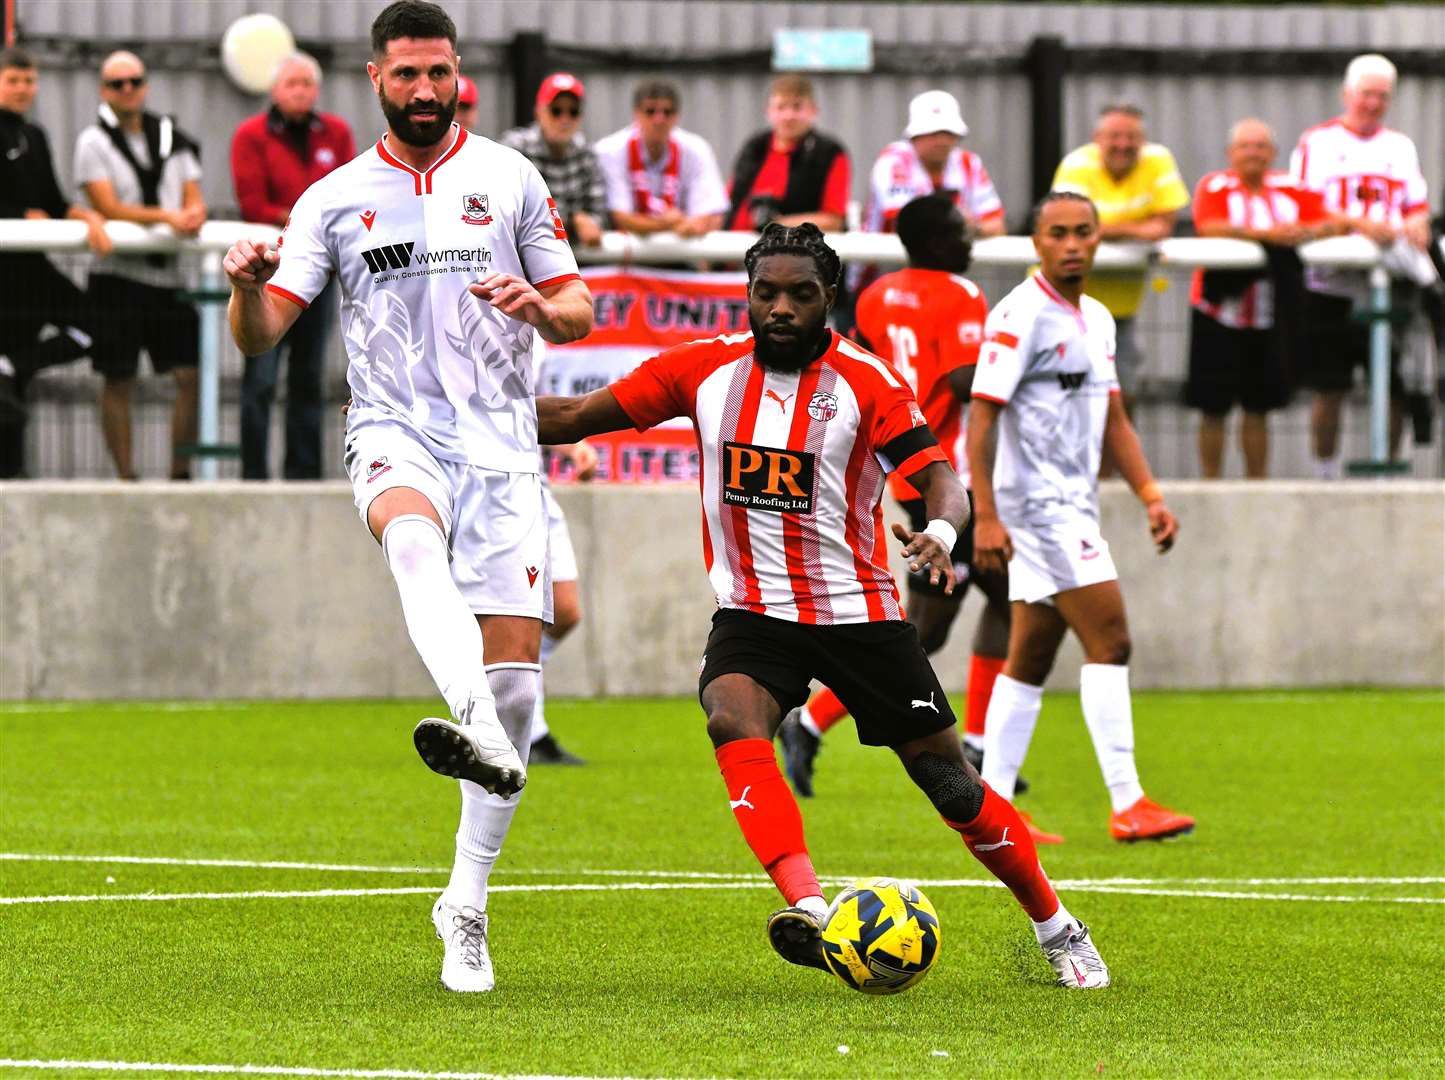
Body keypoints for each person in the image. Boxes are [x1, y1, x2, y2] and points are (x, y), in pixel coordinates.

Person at [537, 222, 1112, 990]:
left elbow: (940, 476)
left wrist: (942, 529)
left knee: (950, 787)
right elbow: (575, 419)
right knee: (730, 716)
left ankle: (1056, 926)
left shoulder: (866, 382)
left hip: (856, 614)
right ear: (746, 295)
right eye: (765, 293)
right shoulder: (700, 372)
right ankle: (808, 909)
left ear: (828, 300)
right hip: (753, 612)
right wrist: (445, 421)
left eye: (798, 295)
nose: (779, 308)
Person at [221, 0, 592, 993]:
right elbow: (261, 335)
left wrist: (540, 307)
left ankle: (463, 905)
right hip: (394, 431)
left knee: (521, 689)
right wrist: (246, 285)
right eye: (405, 75)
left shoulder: (510, 179)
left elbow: (579, 307)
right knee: (413, 547)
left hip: (502, 449)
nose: (424, 90)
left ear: (458, 73)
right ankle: (466, 711)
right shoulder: (334, 198)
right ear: (373, 78)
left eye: (439, 73)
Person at [776, 194, 1032, 826]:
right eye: (958, 227)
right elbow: (964, 380)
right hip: (946, 470)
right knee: (952, 616)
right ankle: (819, 720)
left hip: (902, 465)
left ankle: (831, 722)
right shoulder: (962, 293)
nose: (969, 237)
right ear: (933, 238)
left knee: (980, 604)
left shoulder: (877, 294)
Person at [967, 191, 1194, 845]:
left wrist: (1149, 494)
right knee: (1111, 640)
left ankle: (994, 809)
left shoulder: (1094, 317)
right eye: (1057, 234)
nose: (1071, 245)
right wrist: (986, 514)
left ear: (1098, 239)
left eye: (1083, 233)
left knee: (1030, 657)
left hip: (1071, 504)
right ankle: (1127, 802)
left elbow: (1112, 416)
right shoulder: (1018, 316)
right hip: (1036, 510)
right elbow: (980, 417)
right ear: (1036, 243)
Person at [1290, 53, 1432, 476]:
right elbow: (1304, 206)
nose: (1373, 104)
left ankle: (1388, 467)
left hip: (1386, 284)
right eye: (1366, 94)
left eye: (1382, 96)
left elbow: (1416, 205)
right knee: (1329, 388)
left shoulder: (1399, 146)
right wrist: (1358, 224)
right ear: (1347, 94)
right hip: (1330, 286)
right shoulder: (1318, 142)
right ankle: (1325, 474)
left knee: (1392, 390)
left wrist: (1415, 224)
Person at [74, 50, 206, 480]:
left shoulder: (172, 135)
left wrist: (192, 213)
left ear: (146, 85)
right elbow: (107, 206)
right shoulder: (91, 142)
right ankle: (126, 478)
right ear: (103, 91)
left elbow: (193, 195)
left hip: (168, 278)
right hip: (117, 278)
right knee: (118, 376)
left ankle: (179, 474)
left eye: (134, 81)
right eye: (117, 84)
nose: (127, 89)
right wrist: (169, 218)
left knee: (189, 375)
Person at [1186, 119, 1339, 479]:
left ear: (1272, 153)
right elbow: (1209, 226)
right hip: (1219, 311)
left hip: (1269, 314)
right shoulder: (1216, 185)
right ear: (1230, 154)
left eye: (1260, 146)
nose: (1253, 154)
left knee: (1259, 405)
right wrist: (1266, 236)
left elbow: (1333, 221)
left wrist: (1306, 232)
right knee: (1213, 406)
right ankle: (1211, 484)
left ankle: (1257, 485)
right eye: (1245, 146)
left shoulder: (1289, 187)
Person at [231, 52, 355, 480]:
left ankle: (302, 474)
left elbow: (346, 198)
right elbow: (253, 203)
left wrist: (313, 229)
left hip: (317, 274)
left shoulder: (335, 133)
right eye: (292, 83)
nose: (301, 91)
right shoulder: (252, 136)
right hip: (270, 268)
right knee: (260, 377)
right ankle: (253, 476)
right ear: (275, 90)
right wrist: (308, 222)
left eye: (307, 83)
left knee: (308, 376)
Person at [0, 45, 111, 477]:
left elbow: (51, 200)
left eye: (29, 81)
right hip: (3, 276)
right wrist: (16, 215)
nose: (23, 89)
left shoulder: (36, 135)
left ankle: (14, 365)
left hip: (33, 272)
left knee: (96, 325)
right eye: (13, 81)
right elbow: (25, 207)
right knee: (8, 407)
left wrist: (83, 214)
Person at [1052, 104, 1189, 405]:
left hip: (1121, 309)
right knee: (1065, 399)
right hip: (1065, 304)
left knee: (1123, 399)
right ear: (1097, 138)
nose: (1123, 145)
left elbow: (1164, 223)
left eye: (1131, 137)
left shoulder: (1158, 159)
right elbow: (1072, 225)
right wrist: (1139, 228)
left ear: (1143, 140)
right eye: (1114, 136)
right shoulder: (1077, 164)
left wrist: (1103, 228)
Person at [528, 436, 596, 766]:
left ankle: (509, 687)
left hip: (535, 490)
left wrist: (571, 446)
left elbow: (531, 405)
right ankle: (530, 735)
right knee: (513, 619)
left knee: (564, 611)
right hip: (483, 489)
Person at [860, 90, 1005, 238]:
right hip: (887, 258)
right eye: (932, 133)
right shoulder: (894, 160)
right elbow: (906, 223)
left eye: (948, 132)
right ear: (914, 136)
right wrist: (960, 222)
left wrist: (975, 228)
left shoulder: (969, 163)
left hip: (947, 257)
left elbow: (997, 226)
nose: (941, 141)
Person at [594, 80, 729, 237]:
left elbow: (711, 214)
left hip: (680, 255)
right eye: (650, 111)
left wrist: (689, 225)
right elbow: (619, 217)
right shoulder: (610, 150)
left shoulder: (696, 149)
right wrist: (672, 224)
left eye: (667, 112)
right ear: (636, 114)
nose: (659, 120)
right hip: (625, 255)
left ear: (677, 116)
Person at [727, 74, 849, 233]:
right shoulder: (754, 147)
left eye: (797, 107)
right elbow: (727, 203)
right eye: (781, 107)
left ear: (813, 111)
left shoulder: (828, 153)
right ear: (769, 112)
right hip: (734, 250)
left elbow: (834, 221)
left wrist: (778, 224)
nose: (788, 116)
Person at [499, 72, 607, 248]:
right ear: (538, 112)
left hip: (572, 259)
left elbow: (599, 213)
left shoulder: (587, 153)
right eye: (556, 110)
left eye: (573, 111)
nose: (565, 119)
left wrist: (590, 223)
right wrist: (574, 222)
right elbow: (510, 214)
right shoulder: (514, 148)